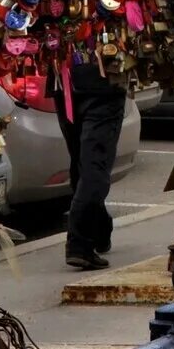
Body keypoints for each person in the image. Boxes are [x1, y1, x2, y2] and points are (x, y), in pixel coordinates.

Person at [54, 58, 127, 270]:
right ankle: (79, 243)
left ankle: (100, 229)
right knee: (94, 167)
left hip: (66, 80)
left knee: (84, 165)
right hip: (100, 82)